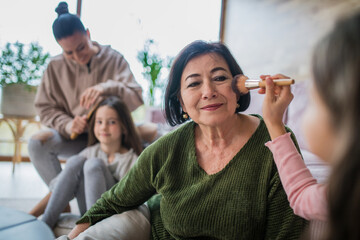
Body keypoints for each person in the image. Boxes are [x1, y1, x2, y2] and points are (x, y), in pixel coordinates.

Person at [64, 40, 307, 240]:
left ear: (239, 88)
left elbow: (285, 233)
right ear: (181, 102)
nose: (208, 91)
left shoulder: (276, 140)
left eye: (220, 78)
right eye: (194, 83)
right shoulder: (168, 148)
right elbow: (113, 201)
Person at [28, 2, 149, 191]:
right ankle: (61, 196)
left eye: (81, 47)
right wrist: (68, 124)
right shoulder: (54, 67)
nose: (77, 56)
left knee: (153, 134)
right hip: (75, 139)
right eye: (69, 52)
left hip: (111, 136)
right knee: (37, 143)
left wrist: (106, 88)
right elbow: (45, 108)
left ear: (88, 34)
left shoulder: (114, 58)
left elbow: (136, 97)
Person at [260, 11, 360, 240]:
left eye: (313, 101)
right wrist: (274, 122)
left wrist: (274, 123)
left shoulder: (345, 198)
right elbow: (303, 196)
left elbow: (302, 196)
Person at [35, 96, 146, 231]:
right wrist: (30, 216)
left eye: (111, 122)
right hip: (86, 212)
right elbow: (58, 188)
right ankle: (44, 225)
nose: (104, 127)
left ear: (124, 127)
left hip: (110, 216)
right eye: (99, 122)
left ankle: (93, 229)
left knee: (93, 165)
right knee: (76, 161)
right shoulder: (89, 152)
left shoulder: (130, 159)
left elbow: (131, 201)